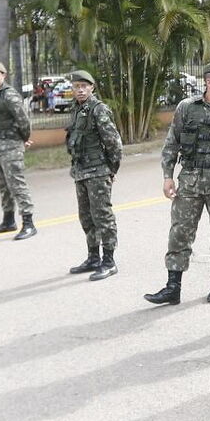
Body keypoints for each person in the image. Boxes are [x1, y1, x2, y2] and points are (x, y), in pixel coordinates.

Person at [145, 61, 210, 305]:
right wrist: (167, 176)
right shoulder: (186, 108)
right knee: (179, 233)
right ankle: (173, 286)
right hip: (190, 182)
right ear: (209, 82)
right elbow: (171, 143)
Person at [65, 70, 123, 281]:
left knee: (102, 216)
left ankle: (109, 261)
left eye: (84, 86)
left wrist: (111, 169)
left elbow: (114, 143)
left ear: (92, 88)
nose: (80, 90)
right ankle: (93, 257)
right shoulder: (77, 109)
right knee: (86, 216)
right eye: (76, 86)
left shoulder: (99, 110)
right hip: (80, 171)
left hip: (98, 171)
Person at [0, 60, 37, 240]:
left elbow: (23, 120)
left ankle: (28, 223)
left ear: (3, 75)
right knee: (3, 186)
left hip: (11, 146)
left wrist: (23, 139)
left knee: (16, 184)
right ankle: (8, 220)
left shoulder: (9, 95)